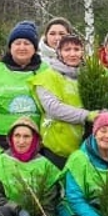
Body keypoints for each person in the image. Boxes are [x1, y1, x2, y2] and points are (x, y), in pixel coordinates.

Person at [0, 21, 43, 149]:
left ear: (35, 48)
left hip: (36, 139)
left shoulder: (46, 71)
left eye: (27, 43)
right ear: (10, 47)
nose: (22, 47)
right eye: (17, 43)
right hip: (1, 139)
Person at [31, 34, 93, 162]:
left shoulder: (90, 76)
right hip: (56, 145)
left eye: (76, 49)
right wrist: (88, 116)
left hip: (86, 145)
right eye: (67, 50)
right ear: (59, 53)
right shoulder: (47, 77)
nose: (72, 54)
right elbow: (54, 109)